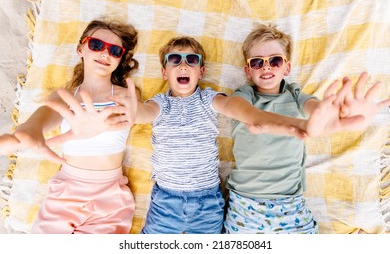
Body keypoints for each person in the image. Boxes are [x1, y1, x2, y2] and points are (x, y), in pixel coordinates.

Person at [45, 35, 367, 234]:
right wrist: (132, 112)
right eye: (175, 60)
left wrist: (262, 119)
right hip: (165, 201)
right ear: (165, 72)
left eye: (191, 60)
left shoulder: (208, 98)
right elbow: (143, 113)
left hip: (209, 202)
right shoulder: (159, 104)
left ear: (200, 71)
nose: (183, 65)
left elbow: (237, 109)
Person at [223, 23, 390, 234]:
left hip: (291, 204)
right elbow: (241, 110)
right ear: (248, 71)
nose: (266, 67)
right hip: (246, 205)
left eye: (275, 61)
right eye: (257, 62)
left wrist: (336, 110)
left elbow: (315, 108)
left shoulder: (295, 95)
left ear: (287, 67)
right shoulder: (243, 96)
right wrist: (270, 121)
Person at [0, 18, 139, 234]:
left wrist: (133, 113)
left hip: (111, 197)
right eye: (96, 45)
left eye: (115, 51)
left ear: (120, 59)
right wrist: (28, 132)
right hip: (67, 192)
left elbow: (146, 113)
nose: (105, 53)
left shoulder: (125, 95)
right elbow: (40, 119)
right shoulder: (65, 96)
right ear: (80, 48)